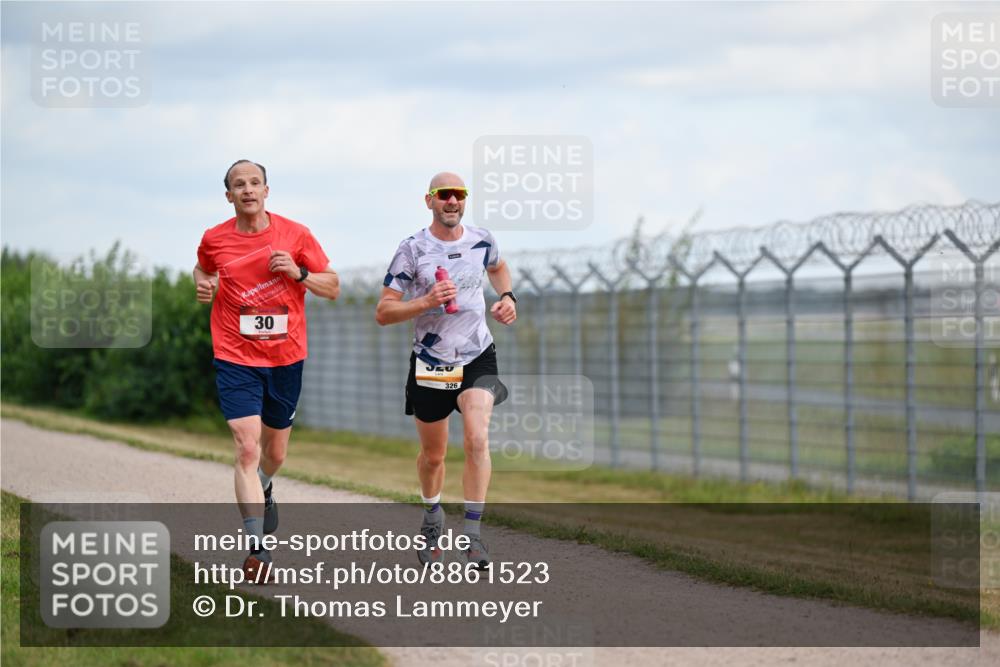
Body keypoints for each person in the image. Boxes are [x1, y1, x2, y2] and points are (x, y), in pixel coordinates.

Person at [194, 159, 339, 580]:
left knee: (275, 454)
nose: (248, 190)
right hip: (235, 355)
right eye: (239, 185)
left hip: (285, 358)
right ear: (229, 195)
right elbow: (203, 268)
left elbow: (332, 286)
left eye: (254, 183)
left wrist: (299, 272)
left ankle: (265, 484)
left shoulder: (296, 235)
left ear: (266, 190)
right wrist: (203, 284)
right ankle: (258, 550)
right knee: (246, 447)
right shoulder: (215, 238)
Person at [375, 172, 516, 570]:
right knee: (434, 456)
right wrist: (426, 301)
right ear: (430, 201)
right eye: (444, 195)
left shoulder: (482, 239)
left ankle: (472, 536)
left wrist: (507, 297)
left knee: (477, 438)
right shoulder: (412, 249)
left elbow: (498, 267)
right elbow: (384, 311)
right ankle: (432, 515)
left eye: (459, 194)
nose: (452, 201)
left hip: (477, 354)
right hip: (431, 362)